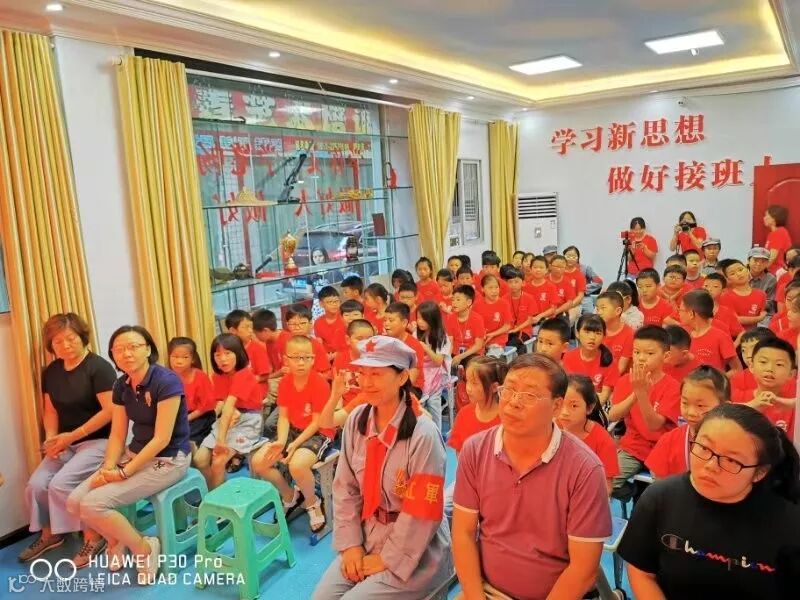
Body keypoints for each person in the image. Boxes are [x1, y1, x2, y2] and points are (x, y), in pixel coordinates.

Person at [452, 353, 612, 600]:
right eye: (509, 390)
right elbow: (463, 533)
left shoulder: (584, 469)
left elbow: (583, 569)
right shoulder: (475, 450)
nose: (513, 402)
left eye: (529, 395)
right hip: (488, 591)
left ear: (556, 406)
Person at [312, 336, 451, 599]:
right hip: (368, 533)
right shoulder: (358, 419)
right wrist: (351, 544)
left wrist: (389, 557)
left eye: (376, 374)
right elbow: (345, 488)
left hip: (416, 548)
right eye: (362, 373)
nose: (366, 383)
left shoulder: (423, 434)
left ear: (402, 377)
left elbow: (422, 509)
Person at [618, 404, 800, 600]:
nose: (711, 465)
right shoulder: (660, 499)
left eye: (732, 460)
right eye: (704, 448)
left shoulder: (789, 524)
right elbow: (642, 572)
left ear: (759, 472)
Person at [67, 325, 190, 581]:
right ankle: (117, 539)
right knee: (74, 501)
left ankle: (145, 549)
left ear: (148, 349)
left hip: (169, 458)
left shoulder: (166, 381)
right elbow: (117, 434)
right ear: (113, 354)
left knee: (93, 504)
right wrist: (108, 467)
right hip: (134, 454)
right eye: (119, 349)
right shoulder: (121, 385)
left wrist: (123, 473)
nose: (127, 353)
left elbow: (162, 439)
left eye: (134, 347)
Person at [20, 313, 116, 566]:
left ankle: (94, 536)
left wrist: (71, 436)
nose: (65, 345)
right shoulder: (52, 371)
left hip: (99, 441)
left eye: (71, 339)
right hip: (65, 442)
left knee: (61, 484)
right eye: (58, 341)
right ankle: (51, 534)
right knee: (36, 484)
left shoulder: (99, 368)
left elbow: (110, 411)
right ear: (50, 345)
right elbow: (50, 410)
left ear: (83, 338)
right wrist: (52, 440)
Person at [252, 336, 331, 533]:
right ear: (286, 359)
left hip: (319, 432)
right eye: (295, 357)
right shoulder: (285, 382)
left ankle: (312, 502)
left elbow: (317, 422)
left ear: (313, 359)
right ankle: (290, 496)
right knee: (259, 462)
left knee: (297, 465)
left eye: (306, 357)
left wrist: (295, 445)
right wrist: (281, 440)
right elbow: (284, 417)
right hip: (293, 430)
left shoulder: (320, 383)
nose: (301, 362)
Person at [608, 326, 680, 496]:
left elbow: (654, 425)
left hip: (662, 449)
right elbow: (613, 415)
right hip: (633, 447)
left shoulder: (673, 387)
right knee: (604, 481)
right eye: (636, 352)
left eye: (649, 353)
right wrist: (636, 393)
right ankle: (632, 493)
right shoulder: (626, 380)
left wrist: (641, 394)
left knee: (662, 493)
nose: (641, 358)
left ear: (666, 356)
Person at [194, 333, 266, 489]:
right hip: (230, 417)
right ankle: (217, 490)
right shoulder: (218, 376)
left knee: (218, 461)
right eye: (217, 355)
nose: (223, 359)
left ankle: (217, 497)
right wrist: (218, 416)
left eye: (227, 353)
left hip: (249, 418)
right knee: (200, 460)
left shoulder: (244, 374)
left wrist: (220, 440)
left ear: (238, 353)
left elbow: (229, 406)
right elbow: (223, 402)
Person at [445, 356, 506, 519]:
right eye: (467, 382)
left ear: (494, 387)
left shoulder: (506, 418)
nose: (468, 389)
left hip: (498, 486)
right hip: (469, 481)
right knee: (443, 508)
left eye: (475, 383)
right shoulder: (465, 414)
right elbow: (460, 454)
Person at [645, 365, 729, 478]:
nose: (691, 412)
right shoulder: (669, 440)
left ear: (724, 406)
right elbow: (660, 484)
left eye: (700, 405)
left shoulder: (734, 443)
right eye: (685, 403)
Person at [557, 374, 620, 494]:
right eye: (561, 404)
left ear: (589, 408)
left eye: (574, 406)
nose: (564, 412)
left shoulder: (603, 441)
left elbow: (606, 488)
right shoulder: (549, 429)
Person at [735, 338, 796, 434]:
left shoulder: (794, 406)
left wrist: (784, 402)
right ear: (751, 366)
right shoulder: (737, 398)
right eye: (763, 362)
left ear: (791, 374)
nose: (770, 369)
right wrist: (751, 405)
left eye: (779, 364)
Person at [168, 337, 214, 455]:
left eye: (185, 357)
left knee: (185, 438)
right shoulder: (166, 376)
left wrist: (184, 419)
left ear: (193, 359)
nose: (179, 361)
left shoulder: (200, 376)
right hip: (177, 415)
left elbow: (205, 407)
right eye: (175, 357)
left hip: (200, 416)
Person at [677, 290, 741, 374]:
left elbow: (737, 369)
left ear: (691, 314)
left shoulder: (721, 337)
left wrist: (716, 380)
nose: (678, 313)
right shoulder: (681, 333)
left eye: (680, 310)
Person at [562, 314, 618, 405]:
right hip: (573, 401)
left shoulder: (609, 361)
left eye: (598, 333)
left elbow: (604, 396)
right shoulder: (568, 357)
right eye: (587, 332)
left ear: (604, 337)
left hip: (598, 404)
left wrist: (586, 409)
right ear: (577, 333)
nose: (592, 337)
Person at [416, 300, 451, 432]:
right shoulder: (416, 333)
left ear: (433, 319)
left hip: (435, 373)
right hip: (420, 371)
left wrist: (426, 348)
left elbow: (438, 361)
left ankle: (437, 434)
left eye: (423, 319)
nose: (419, 322)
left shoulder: (442, 337)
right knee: (421, 407)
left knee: (433, 407)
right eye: (418, 318)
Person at [720, 260, 767, 329]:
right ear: (728, 279)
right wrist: (759, 318)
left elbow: (764, 314)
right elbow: (735, 319)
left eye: (740, 270)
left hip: (754, 334)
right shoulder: (725, 296)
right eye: (732, 273)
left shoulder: (761, 294)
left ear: (747, 270)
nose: (738, 274)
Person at [595, 290, 633, 373]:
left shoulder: (629, 334)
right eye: (597, 309)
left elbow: (621, 368)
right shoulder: (595, 330)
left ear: (618, 311)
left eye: (603, 308)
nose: (599, 312)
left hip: (617, 377)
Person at [474, 274, 512, 352]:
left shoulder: (504, 304)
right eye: (490, 288)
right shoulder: (476, 305)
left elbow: (507, 326)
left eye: (496, 287)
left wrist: (492, 334)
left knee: (492, 356)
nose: (494, 291)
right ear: (482, 289)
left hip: (498, 341)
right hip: (480, 340)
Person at [314, 286, 347, 357]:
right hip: (327, 356)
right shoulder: (318, 322)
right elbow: (320, 343)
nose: (334, 304)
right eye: (329, 302)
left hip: (345, 355)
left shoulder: (346, 318)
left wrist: (335, 355)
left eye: (336, 301)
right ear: (321, 304)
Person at [748, 246, 777, 317]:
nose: (758, 264)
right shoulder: (741, 275)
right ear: (748, 261)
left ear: (767, 263)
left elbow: (770, 302)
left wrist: (752, 305)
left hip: (763, 313)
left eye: (763, 261)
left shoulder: (771, 279)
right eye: (755, 260)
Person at [764, 205, 793, 274]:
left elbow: (772, 257)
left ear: (774, 218)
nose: (764, 218)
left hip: (777, 273)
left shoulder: (779, 232)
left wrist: (760, 270)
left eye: (766, 215)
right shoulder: (772, 233)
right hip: (772, 271)